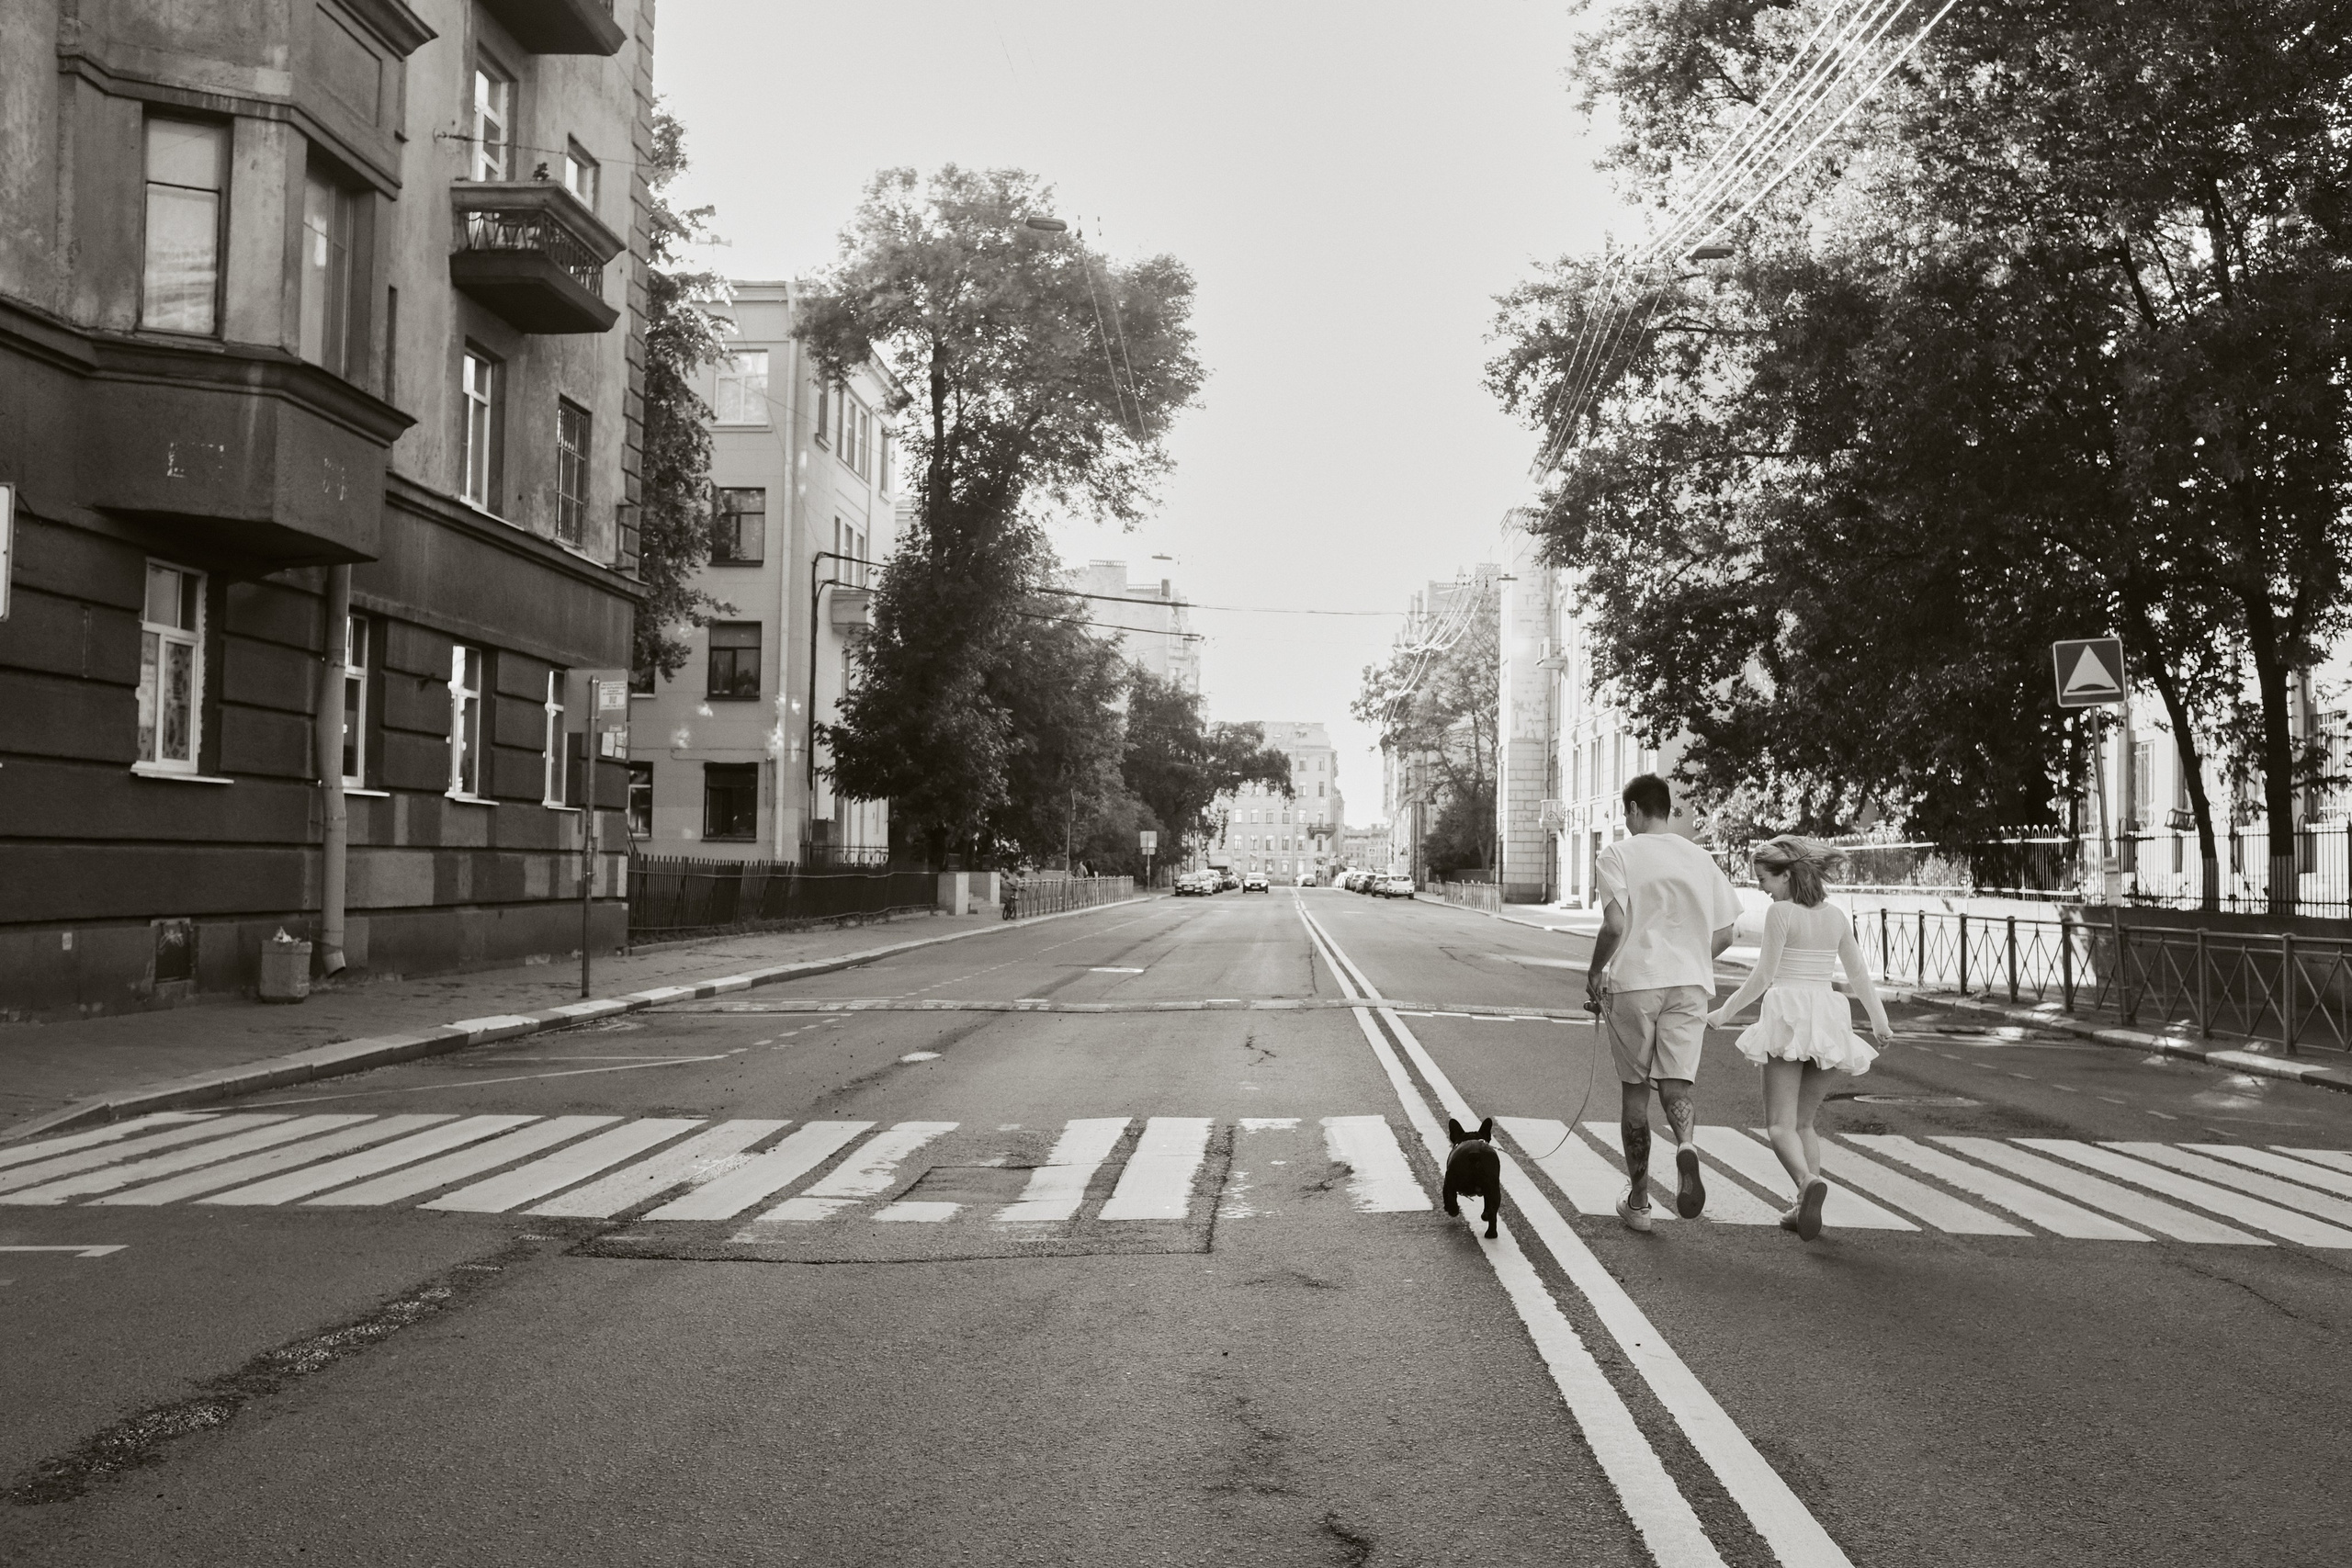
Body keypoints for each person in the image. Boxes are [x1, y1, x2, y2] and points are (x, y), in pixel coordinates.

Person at [1703, 835, 1895, 1241]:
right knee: (1804, 1123)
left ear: (1786, 875)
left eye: (1763, 879)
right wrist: (1879, 1021)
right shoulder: (1836, 916)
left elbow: (1763, 977)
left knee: (1778, 1126)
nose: (1760, 887)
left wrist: (1722, 1013)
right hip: (1827, 1015)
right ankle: (1803, 1205)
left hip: (1790, 1014)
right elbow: (1858, 973)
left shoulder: (1781, 914)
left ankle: (1807, 1184)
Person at [1585, 775, 1742, 1233]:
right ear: (1667, 810)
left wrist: (1595, 971)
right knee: (1677, 1087)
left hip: (1636, 984)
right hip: (1691, 984)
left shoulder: (1616, 854)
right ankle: (1687, 1146)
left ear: (1633, 810)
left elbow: (1614, 925)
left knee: (1635, 1094)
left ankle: (1639, 1203)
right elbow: (1728, 932)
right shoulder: (1700, 856)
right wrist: (1692, 959)